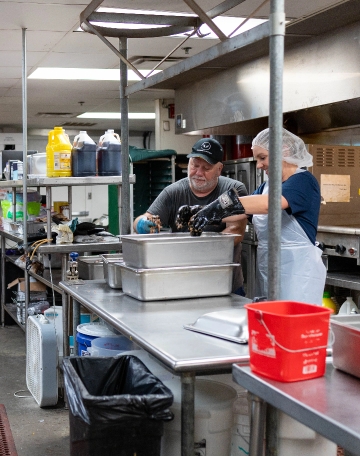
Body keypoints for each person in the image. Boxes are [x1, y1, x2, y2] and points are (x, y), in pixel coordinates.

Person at [189, 128, 326, 305]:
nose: (259, 165)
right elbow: (240, 211)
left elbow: (269, 204)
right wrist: (202, 211)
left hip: (298, 275)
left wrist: (216, 208)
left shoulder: (303, 181)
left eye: (262, 158)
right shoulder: (267, 187)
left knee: (292, 327)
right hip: (269, 272)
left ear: (282, 151)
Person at [133, 137, 248, 295]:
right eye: (194, 165)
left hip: (224, 283)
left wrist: (197, 246)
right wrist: (142, 224)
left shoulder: (233, 190)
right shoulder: (173, 192)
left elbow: (236, 233)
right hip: (182, 282)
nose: (198, 173)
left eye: (206, 168)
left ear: (219, 169)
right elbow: (142, 219)